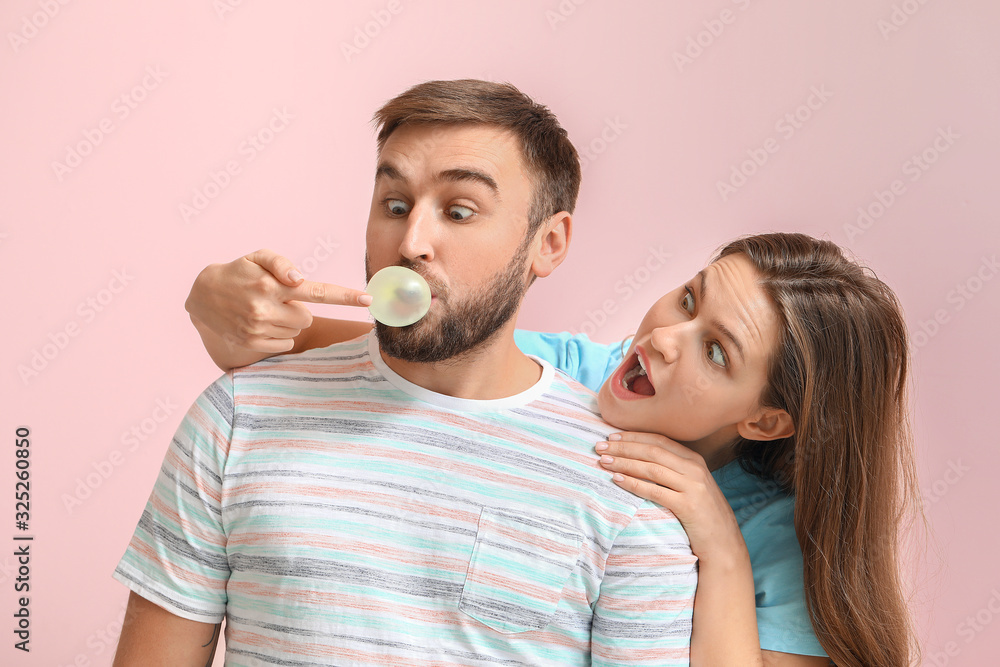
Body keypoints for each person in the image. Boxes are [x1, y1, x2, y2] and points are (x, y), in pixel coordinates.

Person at [112, 79, 699, 667]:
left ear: (547, 244)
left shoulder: (628, 482)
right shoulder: (238, 414)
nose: (411, 242)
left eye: (459, 211)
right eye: (395, 206)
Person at [188, 232, 922, 667]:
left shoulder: (781, 536)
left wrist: (720, 546)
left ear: (766, 420)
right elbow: (306, 351)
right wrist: (223, 305)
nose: (665, 338)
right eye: (690, 299)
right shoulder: (560, 375)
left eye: (717, 352)